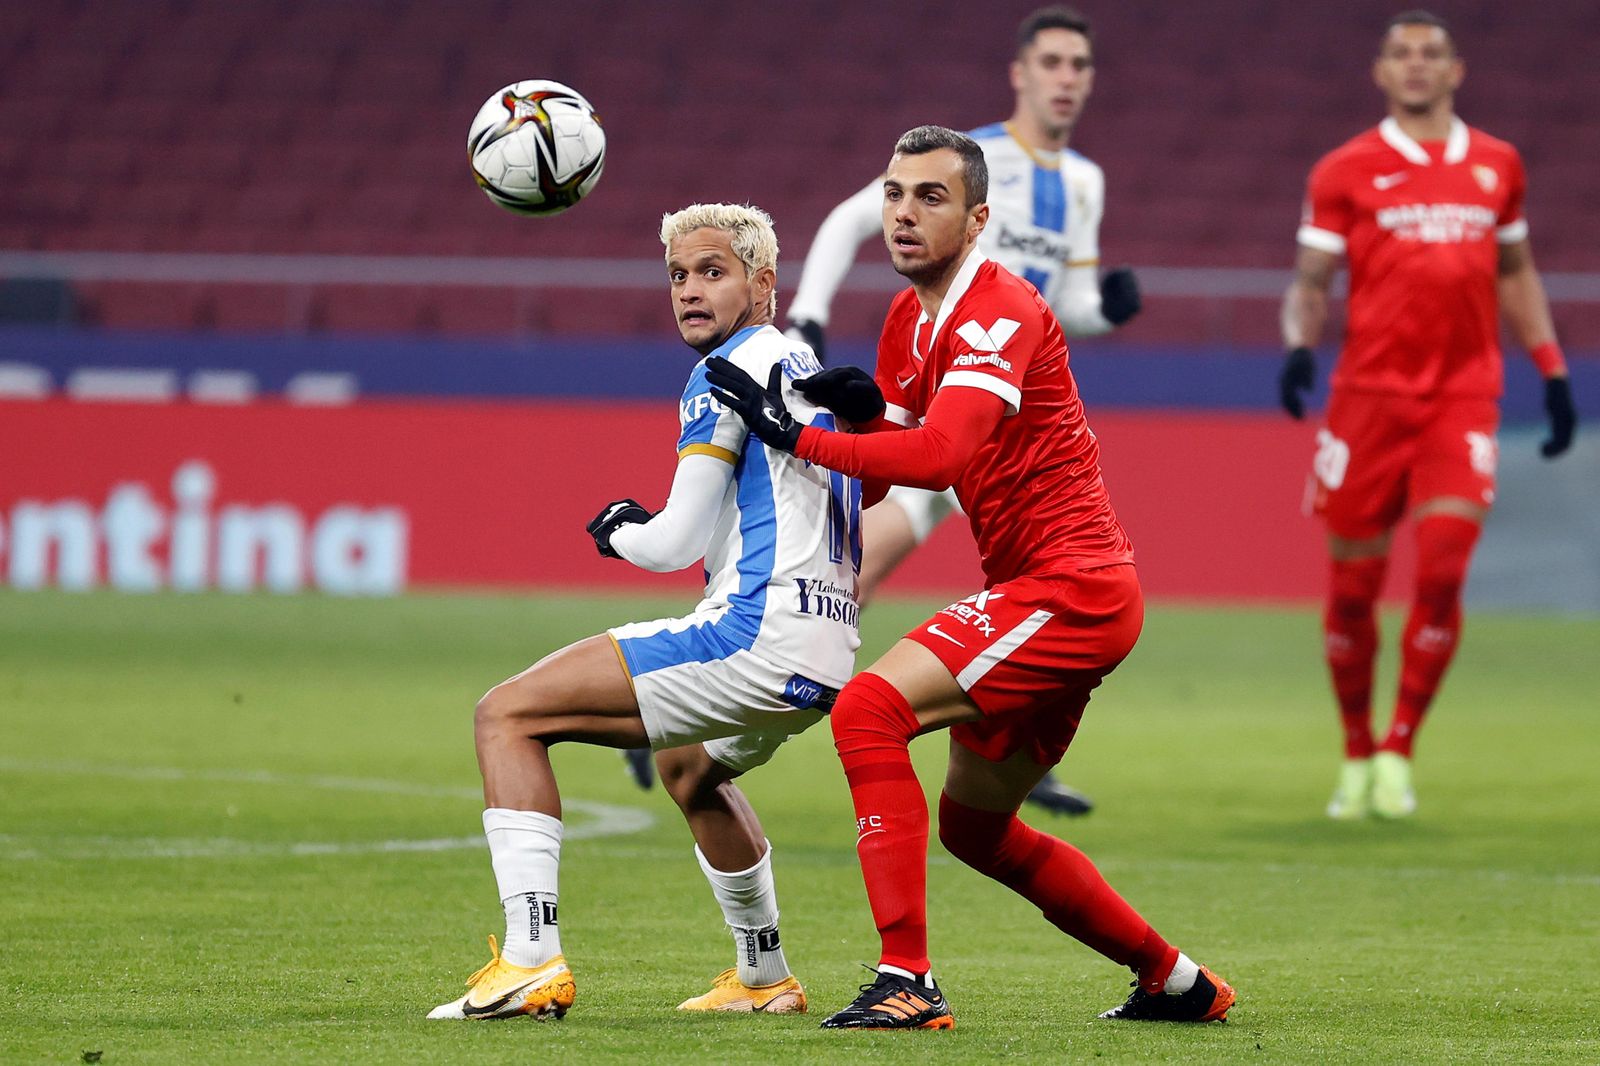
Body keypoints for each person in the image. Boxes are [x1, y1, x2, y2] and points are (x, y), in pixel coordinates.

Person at [708, 126, 1231, 1030]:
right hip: (1044, 596)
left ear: (979, 217)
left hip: (1073, 590)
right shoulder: (908, 322)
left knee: (872, 709)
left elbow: (944, 452)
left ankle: (906, 979)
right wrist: (836, 425)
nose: (905, 214)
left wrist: (799, 434)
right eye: (895, 195)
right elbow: (882, 467)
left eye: (932, 197)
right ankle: (1176, 981)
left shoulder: (1002, 308)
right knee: (974, 831)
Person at [428, 203, 861, 1020]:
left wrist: (617, 529)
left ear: (761, 284)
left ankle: (529, 959)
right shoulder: (805, 367)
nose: (690, 291)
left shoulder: (725, 372)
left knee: (507, 716)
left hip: (754, 633)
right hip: (827, 645)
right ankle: (765, 976)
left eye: (712, 272)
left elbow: (671, 542)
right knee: (691, 768)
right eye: (677, 276)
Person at [783, 6, 1144, 818]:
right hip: (942, 411)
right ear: (1019, 73)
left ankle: (1000, 718)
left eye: (1078, 65)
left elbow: (1067, 304)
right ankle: (744, 694)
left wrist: (1107, 310)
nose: (1065, 79)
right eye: (1050, 62)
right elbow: (851, 221)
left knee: (994, 579)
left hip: (1001, 422)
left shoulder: (1084, 183)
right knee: (851, 567)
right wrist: (807, 316)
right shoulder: (968, 163)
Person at [1280, 10, 1577, 820]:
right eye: (1402, 54)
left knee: (1443, 571)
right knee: (1353, 590)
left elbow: (1515, 270)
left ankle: (1397, 750)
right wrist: (1300, 347)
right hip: (1368, 400)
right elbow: (1311, 278)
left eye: (1431, 54)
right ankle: (1352, 751)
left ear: (1457, 70)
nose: (1416, 66)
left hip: (1462, 397)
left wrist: (1551, 369)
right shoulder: (1346, 168)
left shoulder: (1496, 165)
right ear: (1381, 71)